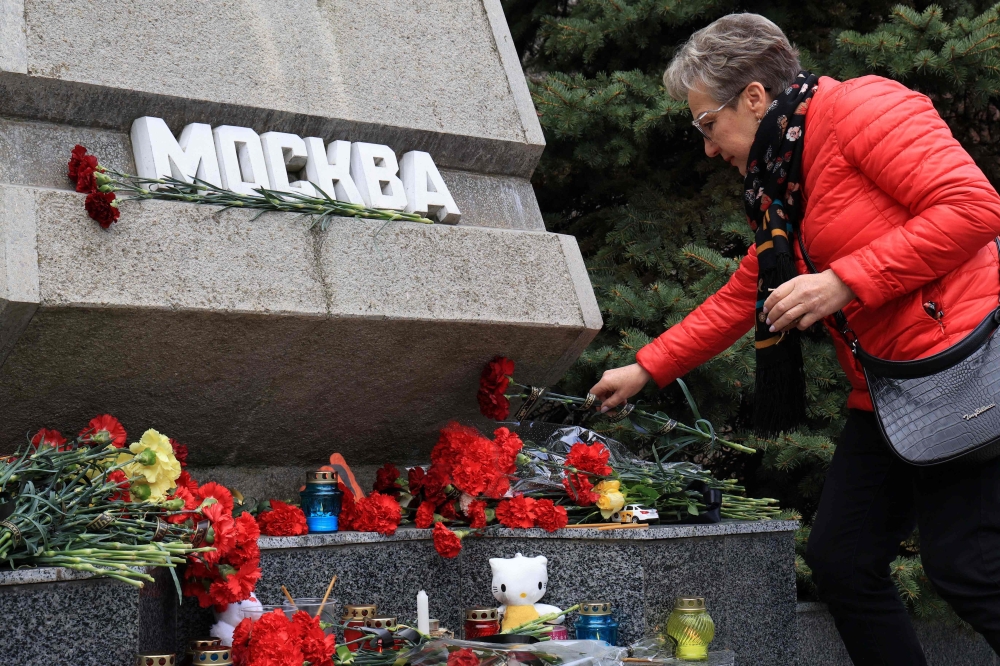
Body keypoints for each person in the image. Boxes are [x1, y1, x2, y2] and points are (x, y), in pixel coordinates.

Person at [588, 12, 1000, 665]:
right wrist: (646, 369)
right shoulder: (786, 176)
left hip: (963, 371)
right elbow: (745, 293)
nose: (707, 146)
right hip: (890, 391)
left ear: (753, 97)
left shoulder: (864, 108)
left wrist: (845, 280)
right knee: (842, 557)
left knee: (968, 570)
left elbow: (974, 208)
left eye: (707, 124)